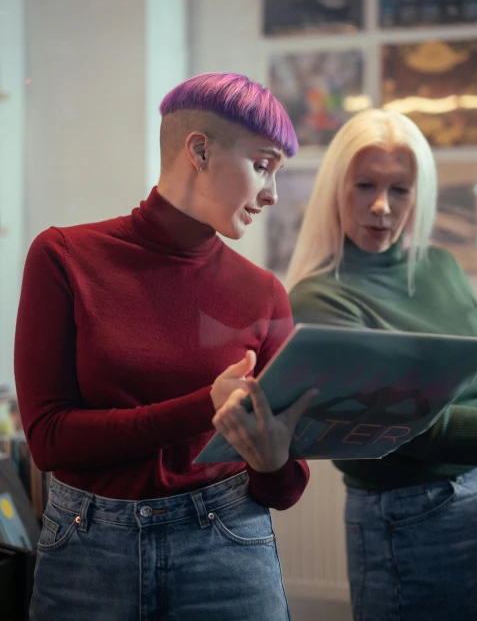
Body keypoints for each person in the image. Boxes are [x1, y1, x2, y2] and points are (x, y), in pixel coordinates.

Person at [14, 72, 317, 621]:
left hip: (226, 547)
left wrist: (274, 460)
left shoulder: (265, 294)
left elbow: (284, 488)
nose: (272, 194)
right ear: (198, 150)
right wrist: (206, 406)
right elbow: (49, 441)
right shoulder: (64, 258)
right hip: (85, 553)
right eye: (262, 166)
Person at [286, 108, 477, 621]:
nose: (381, 206)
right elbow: (413, 426)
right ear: (335, 188)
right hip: (419, 517)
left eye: (400, 190)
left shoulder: (438, 266)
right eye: (365, 185)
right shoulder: (319, 298)